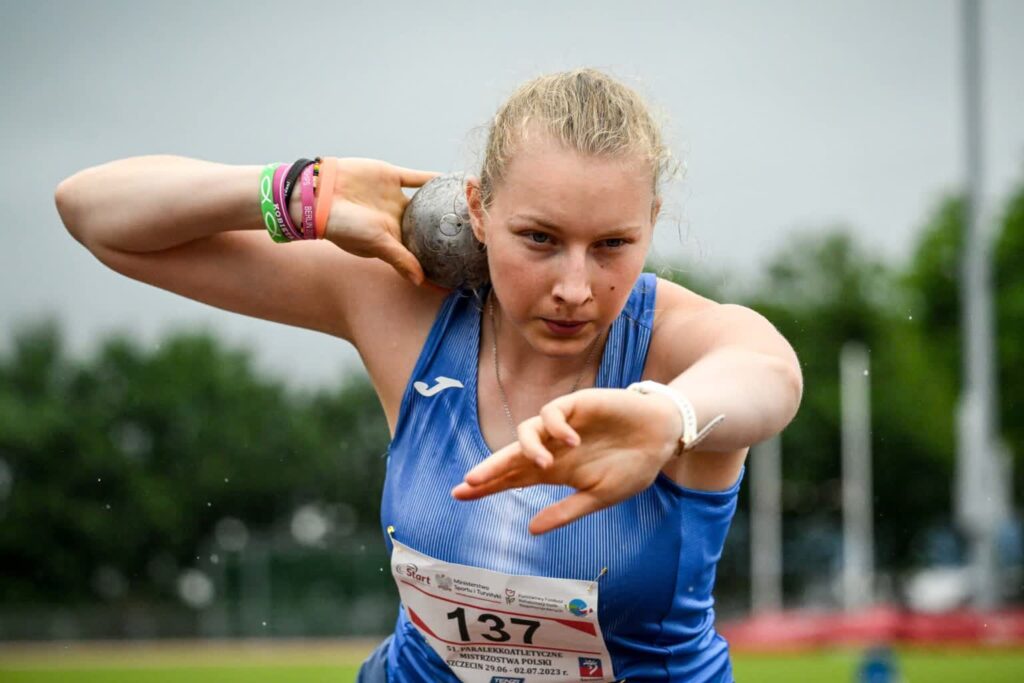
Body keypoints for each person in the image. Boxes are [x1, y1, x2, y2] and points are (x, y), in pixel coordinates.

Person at [55, 68, 802, 682]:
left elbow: (769, 370)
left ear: (652, 222)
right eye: (538, 238)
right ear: (477, 208)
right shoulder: (405, 305)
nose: (576, 285)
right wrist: (307, 194)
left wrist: (670, 415)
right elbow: (94, 212)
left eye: (612, 244)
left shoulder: (671, 343)